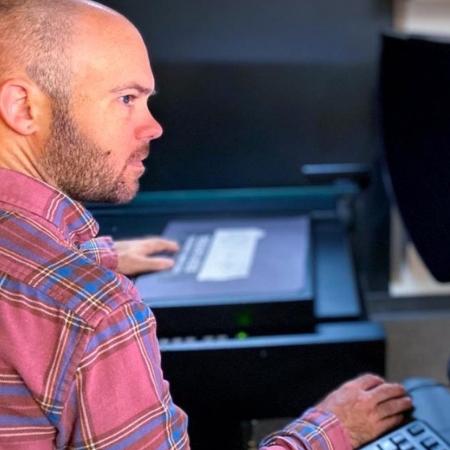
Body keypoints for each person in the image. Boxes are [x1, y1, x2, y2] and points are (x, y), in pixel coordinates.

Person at [0, 0, 412, 449]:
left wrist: (99, 255)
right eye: (126, 99)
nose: (152, 127)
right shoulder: (95, 310)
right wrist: (331, 431)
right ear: (23, 108)